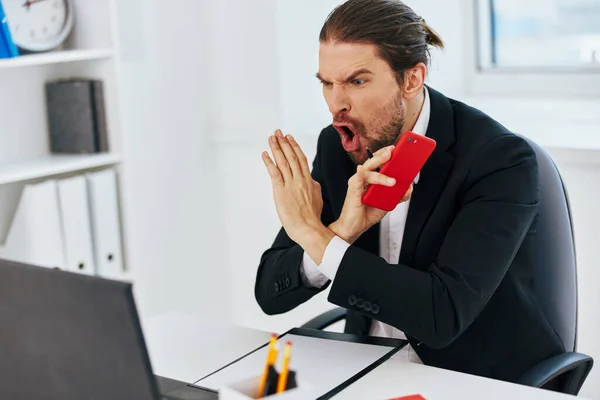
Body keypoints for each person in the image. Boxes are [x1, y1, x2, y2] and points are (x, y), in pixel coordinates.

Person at [255, 0, 563, 385]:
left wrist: (316, 236)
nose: (336, 104)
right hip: (368, 370)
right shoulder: (337, 147)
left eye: (356, 81)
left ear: (412, 79)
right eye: (326, 83)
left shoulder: (497, 159)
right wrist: (340, 233)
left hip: (472, 378)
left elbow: (441, 315)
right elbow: (270, 293)